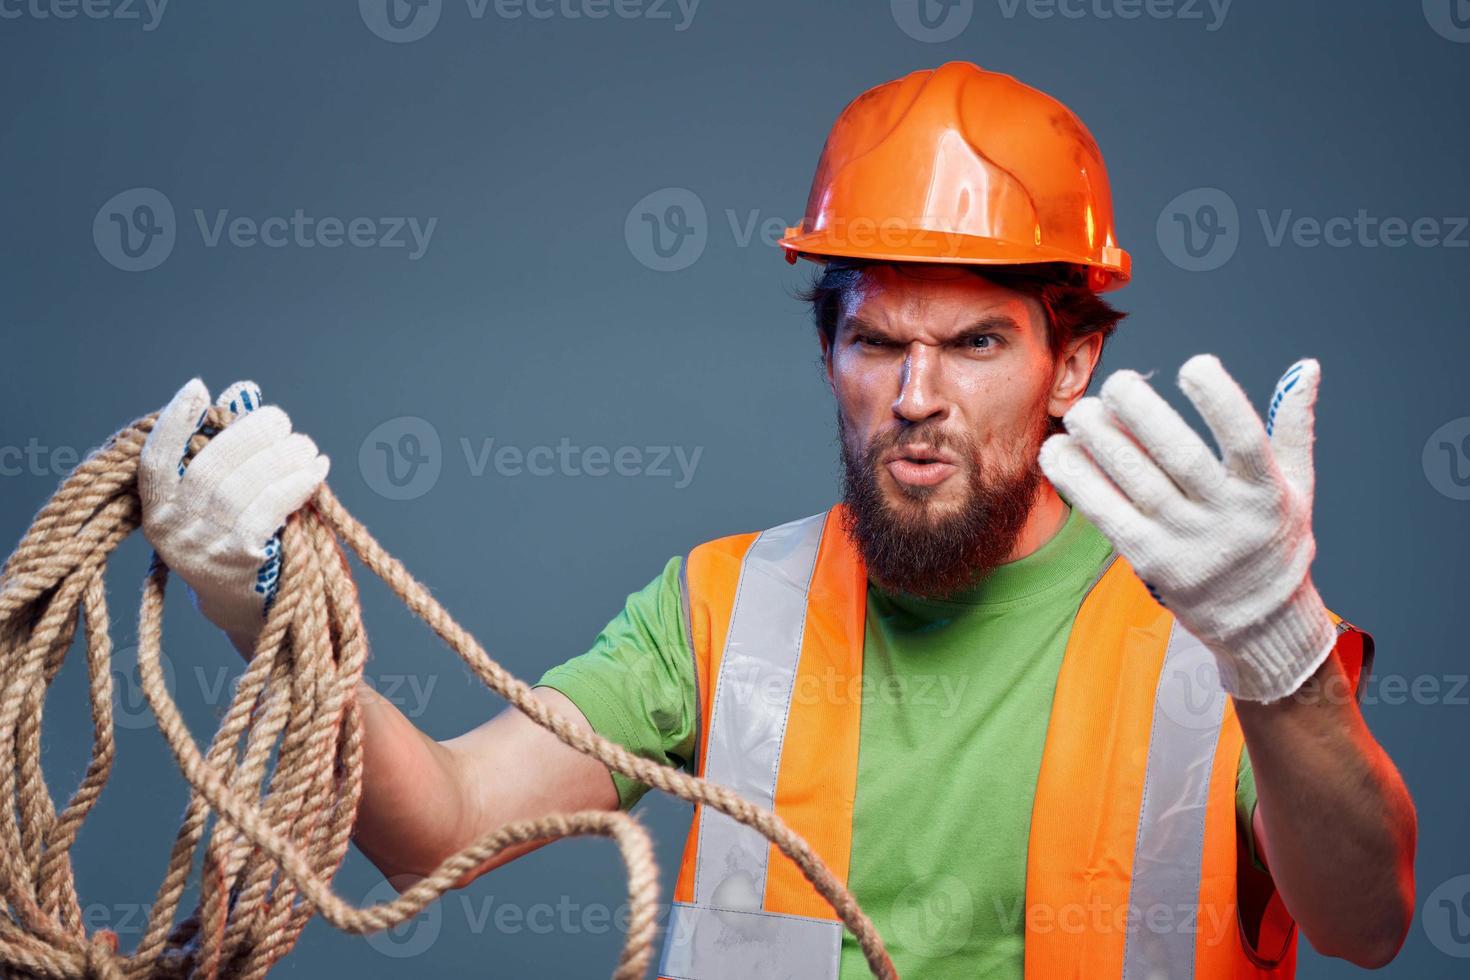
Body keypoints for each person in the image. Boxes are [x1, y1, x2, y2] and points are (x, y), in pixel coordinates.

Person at [138, 62, 1415, 979]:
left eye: (975, 343)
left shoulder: (1218, 616)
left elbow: (1368, 919)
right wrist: (267, 613)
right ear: (829, 351)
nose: (918, 398)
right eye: (877, 342)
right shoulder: (723, 604)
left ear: (1068, 360)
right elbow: (450, 817)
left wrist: (1277, 651)